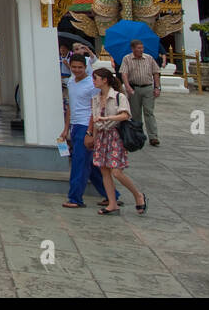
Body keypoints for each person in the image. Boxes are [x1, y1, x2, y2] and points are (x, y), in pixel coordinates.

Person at [90, 63, 147, 216]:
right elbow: (95, 120)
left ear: (105, 80)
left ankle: (138, 195)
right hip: (102, 136)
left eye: (96, 78)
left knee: (116, 171)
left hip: (115, 134)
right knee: (104, 170)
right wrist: (93, 138)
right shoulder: (95, 99)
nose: (94, 81)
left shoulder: (118, 96)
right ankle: (112, 203)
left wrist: (108, 117)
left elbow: (125, 115)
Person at [59, 53, 114, 209]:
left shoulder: (92, 84)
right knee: (89, 163)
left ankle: (75, 198)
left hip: (87, 125)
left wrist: (91, 132)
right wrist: (66, 128)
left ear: (86, 67)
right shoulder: (70, 81)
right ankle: (111, 195)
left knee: (79, 163)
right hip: (75, 125)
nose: (77, 70)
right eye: (74, 67)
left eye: (80, 67)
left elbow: (95, 109)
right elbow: (71, 105)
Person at [119, 39, 161, 146]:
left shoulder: (149, 58)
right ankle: (138, 135)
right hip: (134, 88)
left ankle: (153, 136)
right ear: (133, 49)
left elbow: (156, 72)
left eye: (142, 48)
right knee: (135, 114)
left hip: (147, 87)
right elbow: (124, 73)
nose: (141, 50)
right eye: (138, 48)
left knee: (149, 112)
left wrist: (157, 87)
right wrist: (127, 87)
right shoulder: (127, 59)